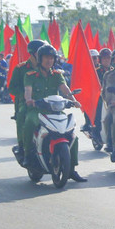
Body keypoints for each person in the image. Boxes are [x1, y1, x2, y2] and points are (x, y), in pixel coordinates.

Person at [22, 44, 87, 181]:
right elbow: (28, 91)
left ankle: (72, 169)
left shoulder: (57, 75)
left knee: (72, 134)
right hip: (37, 110)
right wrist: (29, 100)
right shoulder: (31, 75)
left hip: (56, 111)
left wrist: (74, 101)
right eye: (46, 57)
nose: (49, 60)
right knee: (29, 122)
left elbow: (66, 91)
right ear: (40, 58)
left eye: (51, 58)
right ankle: (27, 154)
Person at [9, 40, 45, 155]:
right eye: (41, 53)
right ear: (33, 53)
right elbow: (12, 88)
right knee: (21, 116)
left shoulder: (46, 67)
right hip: (25, 102)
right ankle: (22, 145)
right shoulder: (21, 68)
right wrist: (24, 94)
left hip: (43, 102)